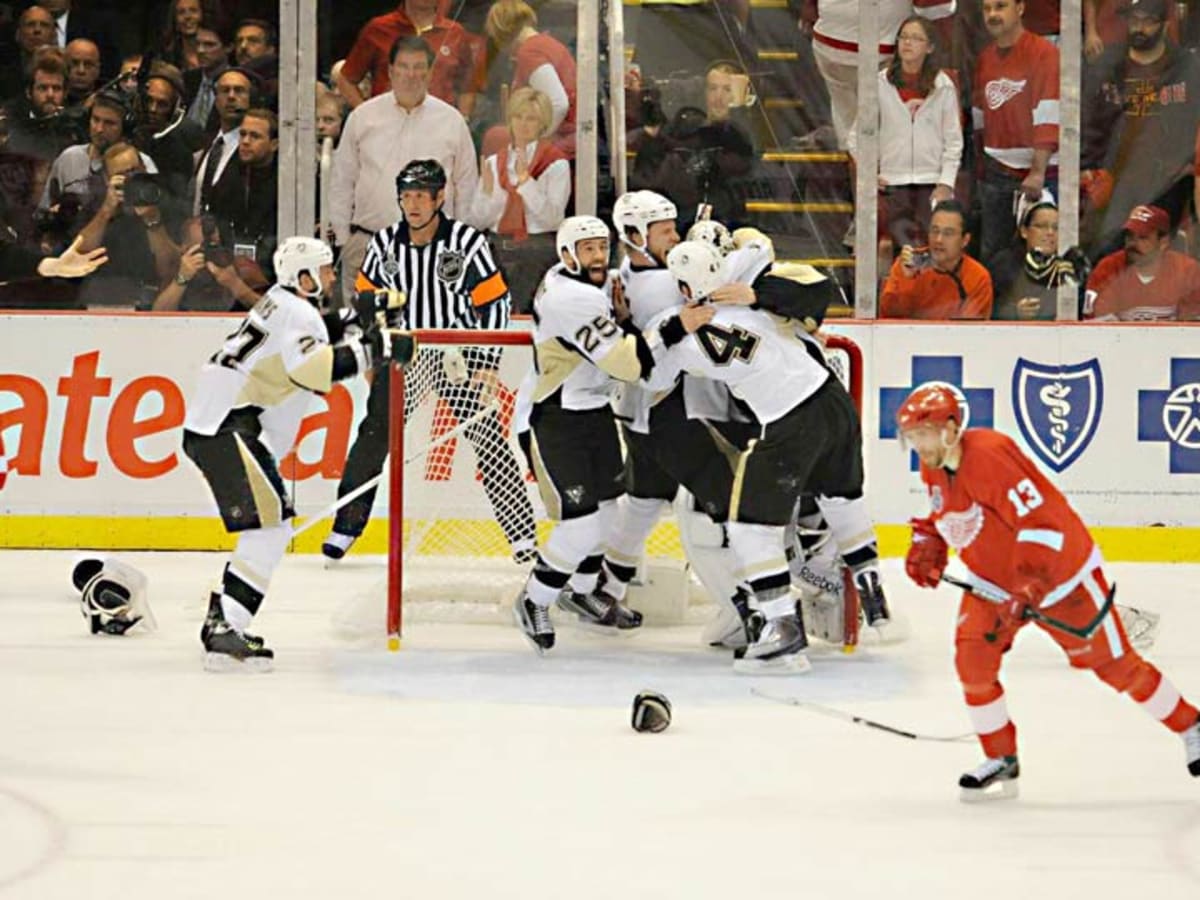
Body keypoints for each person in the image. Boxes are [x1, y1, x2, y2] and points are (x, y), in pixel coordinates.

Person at [896, 381, 1200, 798]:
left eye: (923, 435)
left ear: (950, 427)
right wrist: (929, 541)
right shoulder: (932, 464)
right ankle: (1001, 757)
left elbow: (1041, 523)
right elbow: (947, 511)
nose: (918, 446)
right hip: (993, 586)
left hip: (1059, 578)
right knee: (973, 661)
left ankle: (1191, 725)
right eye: (912, 438)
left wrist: (1029, 585)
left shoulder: (990, 455)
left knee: (1117, 667)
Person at [182, 236, 413, 670]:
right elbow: (311, 368)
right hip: (228, 428)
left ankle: (225, 616)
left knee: (271, 528)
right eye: (325, 271)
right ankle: (225, 627)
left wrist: (352, 316)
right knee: (271, 530)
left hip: (222, 424)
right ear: (303, 277)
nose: (330, 277)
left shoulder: (279, 301)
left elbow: (309, 332)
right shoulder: (297, 312)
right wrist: (375, 347)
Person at [645, 239, 870, 674]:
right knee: (733, 520)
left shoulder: (734, 298)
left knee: (755, 523)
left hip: (772, 424)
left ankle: (784, 612)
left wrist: (753, 295)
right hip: (743, 425)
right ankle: (758, 612)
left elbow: (643, 366)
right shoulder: (737, 296)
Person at [321, 159, 536, 564]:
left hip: (455, 356)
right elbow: (369, 303)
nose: (413, 204)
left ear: (440, 198)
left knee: (489, 440)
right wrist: (373, 351)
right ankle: (345, 526)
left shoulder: (467, 243)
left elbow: (494, 302)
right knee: (372, 439)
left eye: (421, 195)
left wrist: (485, 360)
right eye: (406, 196)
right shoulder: (384, 244)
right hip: (404, 357)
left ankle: (521, 534)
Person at [511, 216, 689, 653]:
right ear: (567, 255)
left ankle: (582, 591)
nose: (597, 257)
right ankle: (534, 599)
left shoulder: (584, 283)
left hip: (592, 412)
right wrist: (678, 324)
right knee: (583, 522)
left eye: (601, 247)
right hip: (554, 418)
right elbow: (628, 365)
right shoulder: (570, 299)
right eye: (586, 249)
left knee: (609, 513)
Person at [330, 35, 478, 301]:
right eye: (404, 67)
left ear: (430, 72)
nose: (411, 75)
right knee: (365, 334)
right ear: (390, 71)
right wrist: (344, 239)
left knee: (430, 329)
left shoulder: (452, 121)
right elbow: (342, 181)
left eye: (419, 67)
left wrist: (458, 243)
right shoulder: (363, 117)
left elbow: (466, 185)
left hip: (436, 250)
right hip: (368, 244)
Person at [847, 14, 962, 251]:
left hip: (931, 183)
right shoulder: (879, 83)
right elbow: (856, 136)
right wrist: (869, 172)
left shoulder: (943, 86)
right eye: (903, 37)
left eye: (916, 38)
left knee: (933, 251)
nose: (907, 43)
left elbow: (953, 142)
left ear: (930, 47)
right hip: (893, 183)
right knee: (903, 254)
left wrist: (946, 183)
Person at [972, 0, 1060, 264]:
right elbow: (980, 115)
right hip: (997, 172)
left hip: (1040, 175)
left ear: (1020, 8)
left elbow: (1048, 111)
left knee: (1045, 256)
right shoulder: (985, 58)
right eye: (987, 9)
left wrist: (1037, 171)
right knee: (994, 257)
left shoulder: (1044, 53)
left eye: (1000, 6)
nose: (993, 15)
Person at [468, 86, 570, 313]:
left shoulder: (555, 163)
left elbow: (553, 219)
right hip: (497, 251)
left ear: (542, 123)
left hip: (536, 253)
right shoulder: (495, 162)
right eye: (518, 116)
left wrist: (526, 184)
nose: (523, 124)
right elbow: (477, 220)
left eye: (531, 118)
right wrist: (487, 193)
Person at [336, 0, 485, 117]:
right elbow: (346, 79)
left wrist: (461, 121)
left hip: (438, 130)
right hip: (387, 129)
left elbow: (468, 87)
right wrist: (367, 115)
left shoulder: (456, 33)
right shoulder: (377, 29)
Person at [484, 0, 577, 157]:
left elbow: (558, 103)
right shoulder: (549, 43)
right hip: (571, 138)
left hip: (562, 142)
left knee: (494, 137)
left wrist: (535, 143)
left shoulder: (530, 52)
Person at [879, 199, 994, 318]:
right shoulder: (908, 263)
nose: (938, 239)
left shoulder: (978, 277)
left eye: (948, 233)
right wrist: (907, 279)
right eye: (935, 231)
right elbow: (888, 318)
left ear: (965, 240)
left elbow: (972, 331)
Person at [1084, 204, 1200, 320]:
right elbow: (1095, 328)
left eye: (1143, 237)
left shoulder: (1187, 271)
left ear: (1163, 242)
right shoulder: (1108, 268)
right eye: (1130, 236)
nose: (1133, 243)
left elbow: (1192, 326)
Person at [990, 198, 1088, 320]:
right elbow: (987, 311)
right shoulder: (1003, 265)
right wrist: (1015, 312)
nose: (1050, 232)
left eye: (1056, 227)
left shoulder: (1068, 268)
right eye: (1041, 226)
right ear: (1024, 231)